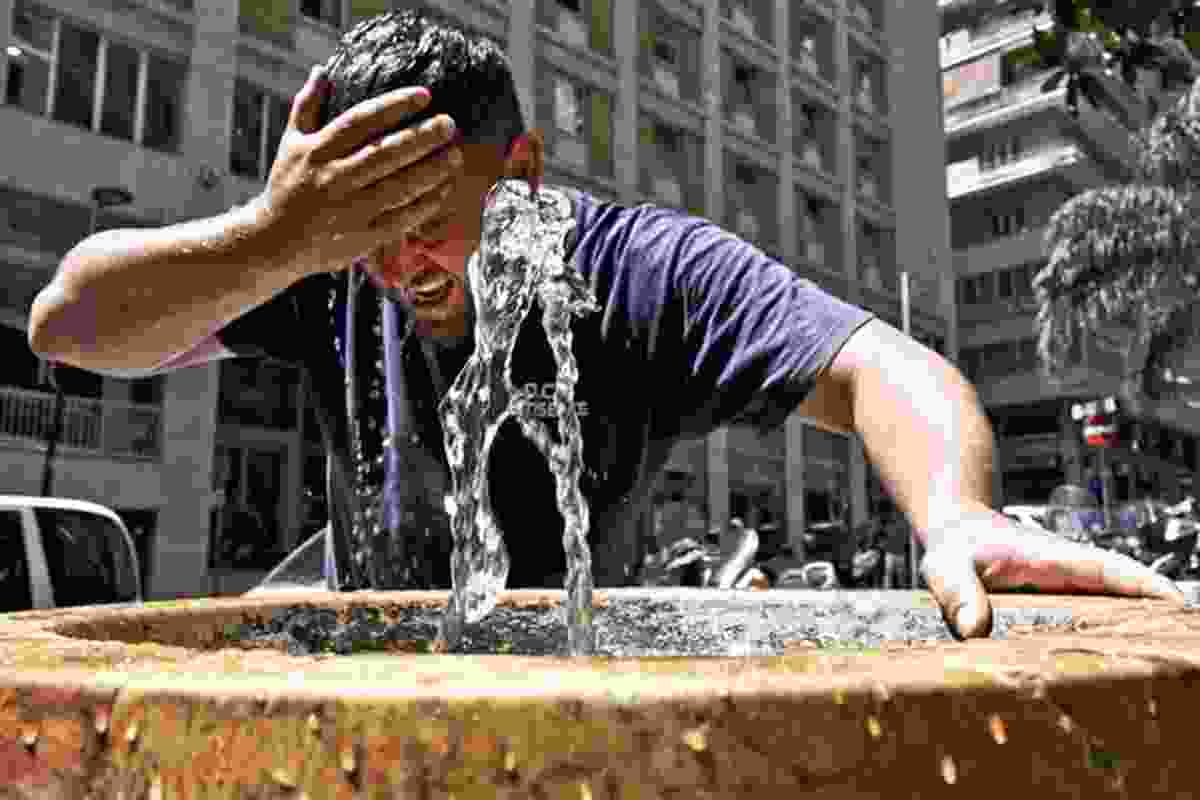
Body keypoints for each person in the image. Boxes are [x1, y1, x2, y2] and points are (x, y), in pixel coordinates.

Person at [27, 10, 1183, 640]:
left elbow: (880, 364)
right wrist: (278, 236)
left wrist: (957, 513)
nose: (400, 263)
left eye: (431, 219)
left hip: (587, 686)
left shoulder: (637, 272)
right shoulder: (325, 258)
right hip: (368, 683)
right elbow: (67, 323)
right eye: (364, 228)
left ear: (521, 172)